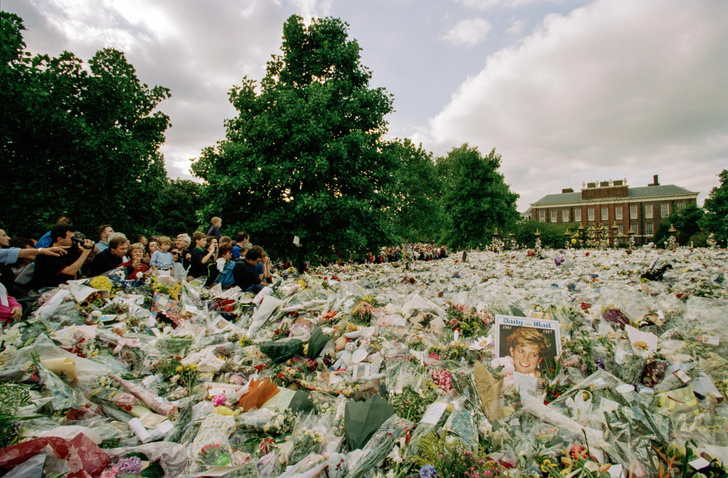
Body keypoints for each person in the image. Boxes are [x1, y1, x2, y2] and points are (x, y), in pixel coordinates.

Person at [32, 224, 94, 288]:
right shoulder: (45, 256)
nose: (74, 241)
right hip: (46, 290)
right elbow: (70, 271)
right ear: (60, 239)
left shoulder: (70, 250)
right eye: (72, 238)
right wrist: (86, 252)